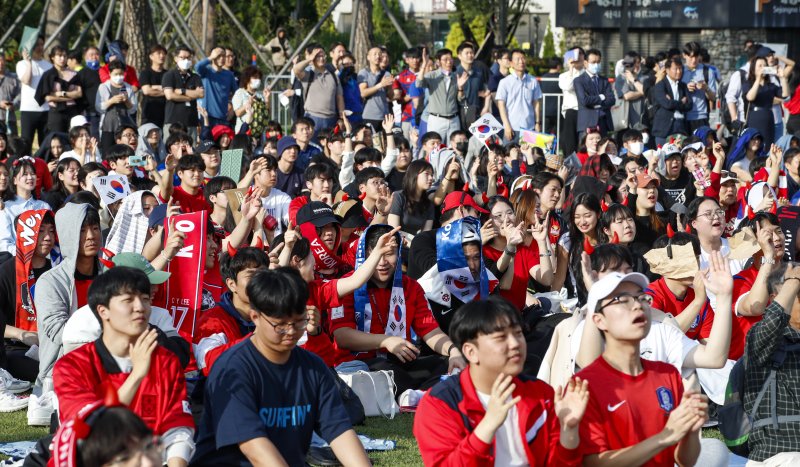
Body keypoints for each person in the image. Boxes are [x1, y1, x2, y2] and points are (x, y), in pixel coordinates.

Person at [191, 268, 371, 466]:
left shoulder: (313, 368)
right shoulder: (232, 369)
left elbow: (340, 430)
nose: (291, 332)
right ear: (255, 317)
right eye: (281, 325)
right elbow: (253, 446)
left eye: (299, 321)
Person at [414, 296, 588, 466]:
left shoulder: (541, 394)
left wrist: (569, 430)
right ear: (470, 351)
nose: (515, 343)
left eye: (518, 333)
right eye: (500, 338)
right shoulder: (440, 404)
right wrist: (488, 425)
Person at [53, 266, 195, 467]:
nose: (140, 307)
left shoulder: (165, 360)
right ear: (103, 311)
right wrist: (137, 375)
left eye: (145, 299)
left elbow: (178, 425)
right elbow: (90, 430)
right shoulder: (72, 366)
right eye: (128, 300)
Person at [578, 271, 707, 466]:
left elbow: (684, 460)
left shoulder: (667, 374)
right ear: (599, 320)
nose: (638, 305)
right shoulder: (586, 385)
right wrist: (664, 437)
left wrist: (690, 428)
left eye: (641, 297)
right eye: (623, 300)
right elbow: (593, 463)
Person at [332, 225, 467, 395]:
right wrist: (386, 341)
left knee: (445, 363)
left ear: (399, 254)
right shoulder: (347, 284)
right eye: (376, 255)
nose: (382, 263)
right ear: (364, 256)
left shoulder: (411, 286)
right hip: (361, 364)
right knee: (388, 372)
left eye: (389, 254)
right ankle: (424, 392)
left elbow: (430, 330)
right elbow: (342, 336)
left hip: (401, 362)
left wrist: (453, 351)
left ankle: (416, 394)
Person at [30, 203, 101, 426]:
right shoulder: (50, 282)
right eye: (82, 230)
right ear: (69, 234)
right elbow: (59, 332)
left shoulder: (111, 276)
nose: (91, 236)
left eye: (95, 228)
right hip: (65, 369)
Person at [739, 263, 800, 464]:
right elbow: (773, 320)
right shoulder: (761, 337)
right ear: (775, 299)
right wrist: (793, 282)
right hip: (778, 455)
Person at [0, 159, 52, 256]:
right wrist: (27, 255)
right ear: (14, 180)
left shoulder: (44, 206)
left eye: (32, 174)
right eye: (25, 174)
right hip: (17, 262)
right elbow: (5, 244)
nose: (30, 177)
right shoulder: (6, 208)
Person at [292, 43, 344, 134]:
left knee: (329, 147)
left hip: (331, 119)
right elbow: (296, 69)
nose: (321, 58)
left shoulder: (333, 75)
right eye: (318, 56)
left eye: (323, 55)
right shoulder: (309, 74)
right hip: (312, 117)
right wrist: (309, 59)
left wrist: (341, 117)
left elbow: (339, 97)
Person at [743, 53, 789, 149]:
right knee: (753, 145)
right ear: (753, 69)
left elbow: (785, 95)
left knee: (767, 146)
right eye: (760, 66)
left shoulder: (771, 85)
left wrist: (783, 78)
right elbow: (750, 97)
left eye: (765, 66)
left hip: (768, 117)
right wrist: (758, 78)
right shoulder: (748, 83)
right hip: (754, 117)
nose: (763, 68)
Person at [416, 48, 462, 141]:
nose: (449, 62)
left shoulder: (456, 76)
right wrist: (423, 65)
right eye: (445, 59)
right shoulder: (432, 75)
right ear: (438, 62)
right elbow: (419, 84)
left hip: (454, 119)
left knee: (454, 149)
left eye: (451, 59)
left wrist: (460, 88)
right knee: (435, 148)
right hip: (436, 119)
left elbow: (461, 100)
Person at [497, 49, 542, 142]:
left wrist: (537, 123)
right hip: (512, 128)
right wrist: (506, 126)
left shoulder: (533, 81)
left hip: (529, 128)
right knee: (510, 155)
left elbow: (536, 103)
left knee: (529, 156)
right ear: (511, 63)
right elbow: (501, 105)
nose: (521, 61)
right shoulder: (505, 82)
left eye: (523, 58)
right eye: (517, 59)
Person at [34, 46, 82, 134]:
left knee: (74, 137)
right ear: (52, 57)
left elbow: (79, 93)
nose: (62, 58)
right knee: (57, 138)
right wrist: (71, 97)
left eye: (64, 56)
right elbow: (48, 97)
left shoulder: (74, 74)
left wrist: (61, 94)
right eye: (59, 56)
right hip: (56, 113)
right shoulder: (48, 75)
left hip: (73, 111)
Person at [162, 46, 204, 141]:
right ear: (176, 58)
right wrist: (190, 97)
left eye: (188, 58)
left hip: (191, 122)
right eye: (182, 57)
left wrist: (182, 91)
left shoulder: (195, 77)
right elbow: (170, 95)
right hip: (173, 122)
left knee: (190, 151)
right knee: (171, 151)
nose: (186, 60)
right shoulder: (169, 75)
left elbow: (201, 94)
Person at [17, 36, 52, 146]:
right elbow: (27, 80)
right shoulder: (21, 64)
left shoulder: (49, 66)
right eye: (37, 45)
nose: (40, 47)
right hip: (28, 110)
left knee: (45, 144)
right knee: (26, 143)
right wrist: (28, 63)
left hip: (46, 109)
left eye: (42, 44)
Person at [96, 60, 137, 155]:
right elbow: (98, 107)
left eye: (121, 74)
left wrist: (126, 101)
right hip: (108, 126)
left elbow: (133, 109)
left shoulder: (128, 87)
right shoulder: (103, 87)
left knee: (126, 152)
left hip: (125, 125)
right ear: (110, 73)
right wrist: (111, 101)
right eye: (116, 74)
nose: (119, 76)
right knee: (107, 153)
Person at [574, 48, 615, 137]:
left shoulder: (604, 80)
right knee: (586, 150)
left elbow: (611, 100)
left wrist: (595, 102)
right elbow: (584, 100)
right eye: (593, 62)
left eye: (598, 62)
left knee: (603, 150)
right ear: (585, 63)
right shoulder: (579, 81)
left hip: (603, 122)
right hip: (587, 123)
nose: (596, 65)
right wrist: (601, 97)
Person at [651, 57, 691, 146]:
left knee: (680, 155)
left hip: (681, 125)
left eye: (680, 68)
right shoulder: (660, 85)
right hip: (664, 127)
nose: (679, 71)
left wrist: (672, 102)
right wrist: (681, 102)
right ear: (667, 70)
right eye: (676, 69)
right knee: (663, 156)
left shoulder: (683, 86)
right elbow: (666, 104)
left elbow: (689, 105)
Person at [195, 47, 237, 130]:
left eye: (223, 56)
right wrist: (210, 58)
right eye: (218, 56)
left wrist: (232, 110)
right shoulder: (206, 71)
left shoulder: (229, 75)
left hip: (223, 118)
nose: (221, 58)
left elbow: (237, 94)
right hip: (207, 117)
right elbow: (197, 66)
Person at [681, 42, 717, 132]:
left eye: (696, 56)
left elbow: (713, 98)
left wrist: (706, 88)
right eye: (691, 57)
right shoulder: (679, 72)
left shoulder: (707, 71)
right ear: (684, 55)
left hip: (702, 117)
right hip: (682, 117)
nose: (694, 60)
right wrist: (685, 88)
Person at [455, 41, 491, 130]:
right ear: (459, 56)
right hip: (460, 112)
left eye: (471, 53)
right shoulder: (455, 73)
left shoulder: (479, 71)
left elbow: (487, 90)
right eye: (466, 53)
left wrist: (486, 107)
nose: (470, 55)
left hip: (476, 111)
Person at [358, 46, 392, 130]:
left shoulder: (386, 74)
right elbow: (363, 93)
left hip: (385, 116)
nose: (378, 56)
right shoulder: (363, 73)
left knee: (385, 141)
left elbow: (390, 96)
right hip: (370, 115)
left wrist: (390, 86)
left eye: (380, 54)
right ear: (368, 57)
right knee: (371, 141)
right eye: (375, 54)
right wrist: (380, 85)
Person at [231, 66, 270, 134]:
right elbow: (238, 113)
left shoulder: (259, 95)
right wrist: (249, 104)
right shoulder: (240, 93)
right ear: (247, 79)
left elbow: (267, 113)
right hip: (244, 132)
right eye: (255, 77)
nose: (258, 80)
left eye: (259, 78)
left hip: (259, 133)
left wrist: (267, 100)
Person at [140, 44, 168, 128]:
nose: (162, 56)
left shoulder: (168, 74)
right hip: (149, 113)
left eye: (164, 54)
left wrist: (154, 87)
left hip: (166, 113)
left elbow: (173, 90)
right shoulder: (145, 73)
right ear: (151, 56)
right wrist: (165, 91)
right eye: (159, 53)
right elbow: (147, 91)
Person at [0, 55, 21, 136]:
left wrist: (12, 104)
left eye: (2, 60)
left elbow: (20, 94)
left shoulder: (14, 78)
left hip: (10, 119)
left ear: (5, 61)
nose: (0, 63)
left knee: (12, 144)